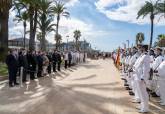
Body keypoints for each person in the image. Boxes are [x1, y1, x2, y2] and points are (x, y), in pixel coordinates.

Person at [134, 45, 150, 113]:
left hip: (141, 78)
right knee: (140, 93)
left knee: (143, 93)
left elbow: (146, 68)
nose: (139, 49)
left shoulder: (146, 56)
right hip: (137, 77)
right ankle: (142, 106)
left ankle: (145, 108)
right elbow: (136, 66)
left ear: (143, 49)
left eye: (140, 48)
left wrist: (143, 77)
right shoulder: (141, 56)